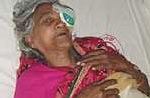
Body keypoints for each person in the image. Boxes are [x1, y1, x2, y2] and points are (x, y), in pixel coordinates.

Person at [13, 0, 150, 98]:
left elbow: (144, 92)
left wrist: (128, 68)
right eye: (48, 20)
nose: (61, 23)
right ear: (30, 39)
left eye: (63, 18)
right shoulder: (32, 81)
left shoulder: (99, 52)